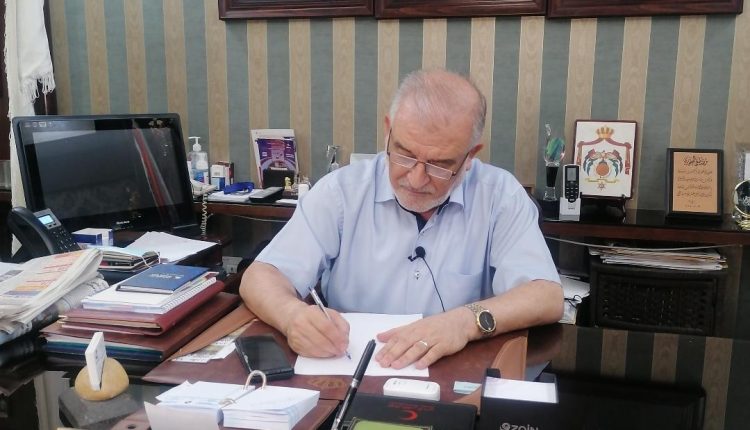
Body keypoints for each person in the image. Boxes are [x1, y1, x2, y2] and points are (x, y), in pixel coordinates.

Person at [240, 69, 563, 370]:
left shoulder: (500, 196)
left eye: (439, 165)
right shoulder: (341, 193)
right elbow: (260, 277)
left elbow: (546, 297)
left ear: (470, 156)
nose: (416, 179)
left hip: (457, 372)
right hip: (351, 368)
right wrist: (292, 316)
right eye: (405, 154)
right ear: (388, 131)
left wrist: (464, 322)